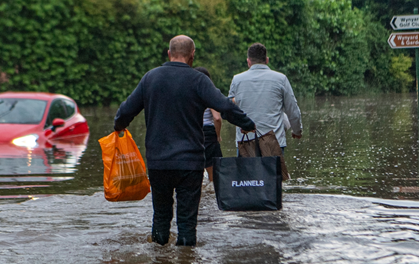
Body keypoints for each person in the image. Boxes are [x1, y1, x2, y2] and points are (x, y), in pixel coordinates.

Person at [113, 35, 256, 247]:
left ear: (169, 54)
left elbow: (125, 111)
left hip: (158, 163)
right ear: (192, 56)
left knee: (161, 219)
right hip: (190, 163)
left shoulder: (150, 78)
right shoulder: (199, 80)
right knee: (187, 223)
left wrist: (119, 126)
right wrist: (246, 123)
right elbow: (224, 107)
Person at [228, 43, 302, 152]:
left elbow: (229, 109)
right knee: (273, 169)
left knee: (247, 169)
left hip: (246, 142)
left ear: (248, 61)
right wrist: (297, 131)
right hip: (274, 141)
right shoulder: (281, 79)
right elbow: (292, 109)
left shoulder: (237, 80)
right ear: (267, 60)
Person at [193, 67, 223, 183]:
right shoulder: (210, 93)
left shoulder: (190, 93)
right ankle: (212, 196)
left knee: (196, 170)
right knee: (213, 174)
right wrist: (218, 135)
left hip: (194, 132)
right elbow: (217, 118)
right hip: (209, 133)